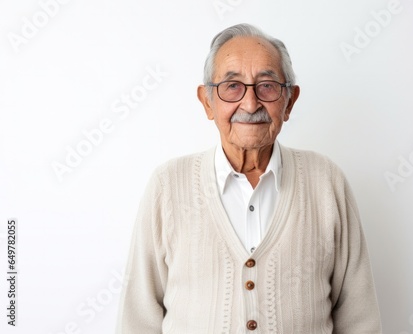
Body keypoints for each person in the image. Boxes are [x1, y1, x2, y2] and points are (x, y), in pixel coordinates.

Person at [116, 23, 382, 333]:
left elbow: (359, 317)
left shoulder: (326, 181)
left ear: (289, 101)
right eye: (232, 86)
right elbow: (138, 317)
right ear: (207, 102)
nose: (251, 103)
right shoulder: (168, 185)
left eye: (267, 85)